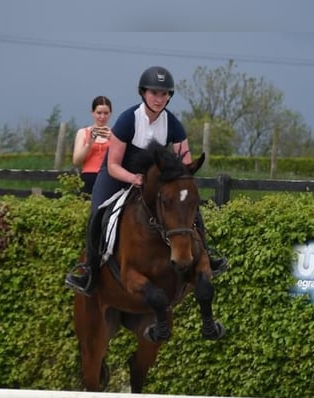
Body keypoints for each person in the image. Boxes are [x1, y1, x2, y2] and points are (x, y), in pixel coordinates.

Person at [65, 65, 228, 295]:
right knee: (97, 215)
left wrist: (181, 181)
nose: (159, 98)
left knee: (188, 210)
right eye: (154, 93)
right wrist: (133, 178)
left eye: (164, 94)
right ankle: (89, 272)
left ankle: (207, 255)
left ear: (169, 97)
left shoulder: (173, 123)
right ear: (143, 93)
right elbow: (112, 165)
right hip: (118, 175)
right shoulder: (128, 120)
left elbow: (186, 163)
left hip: (151, 181)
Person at [72, 96, 113, 196]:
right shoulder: (83, 133)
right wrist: (89, 143)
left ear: (110, 114)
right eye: (99, 113)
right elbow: (76, 161)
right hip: (88, 178)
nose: (102, 117)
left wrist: (113, 140)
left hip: (108, 177)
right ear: (92, 113)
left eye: (106, 113)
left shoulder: (116, 134)